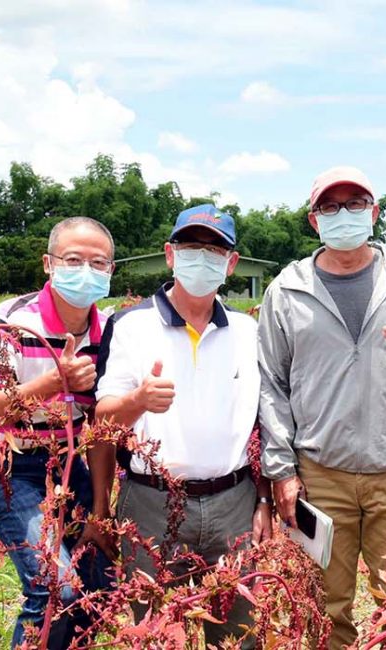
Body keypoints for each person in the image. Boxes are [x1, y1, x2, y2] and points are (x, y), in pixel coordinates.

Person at [257, 166, 386, 649]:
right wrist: (281, 471)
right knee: (326, 606)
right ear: (313, 220)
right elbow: (271, 385)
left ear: (374, 213)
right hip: (321, 474)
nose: (343, 214)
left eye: (354, 204)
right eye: (331, 206)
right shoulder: (287, 289)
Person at [93, 204, 271, 649]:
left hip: (233, 502)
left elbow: (264, 425)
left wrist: (264, 498)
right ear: (170, 255)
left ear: (231, 264)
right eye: (192, 247)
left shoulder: (248, 332)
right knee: (150, 630)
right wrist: (138, 401)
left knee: (238, 633)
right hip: (152, 501)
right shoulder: (131, 325)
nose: (202, 258)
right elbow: (102, 420)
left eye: (215, 251)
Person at [0, 216, 116, 649]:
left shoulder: (110, 333)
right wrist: (53, 381)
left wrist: (100, 509)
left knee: (101, 582)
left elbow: (103, 426)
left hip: (66, 465)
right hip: (5, 467)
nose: (86, 270)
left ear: (111, 272)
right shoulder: (8, 321)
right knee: (55, 587)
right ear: (49, 264)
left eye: (98, 263)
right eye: (73, 259)